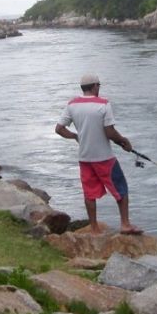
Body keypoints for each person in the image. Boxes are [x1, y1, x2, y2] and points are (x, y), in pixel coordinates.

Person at [55, 74, 142, 235]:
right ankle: (125, 224)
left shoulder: (72, 104)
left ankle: (94, 228)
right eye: (99, 85)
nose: (99, 88)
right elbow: (109, 132)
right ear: (95, 86)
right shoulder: (103, 104)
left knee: (89, 193)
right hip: (104, 158)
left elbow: (59, 129)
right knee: (121, 189)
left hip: (84, 158)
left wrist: (75, 136)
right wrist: (124, 141)